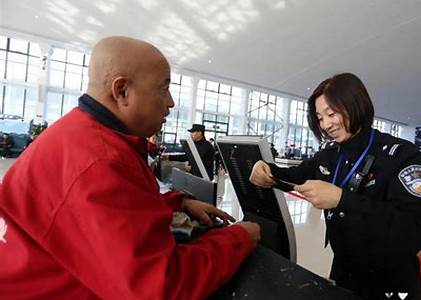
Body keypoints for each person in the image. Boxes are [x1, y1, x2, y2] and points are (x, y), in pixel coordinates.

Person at [0, 36, 260, 299]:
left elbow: (108, 208)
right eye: (164, 88)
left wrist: (175, 202)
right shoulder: (99, 161)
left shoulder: (82, 134)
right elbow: (159, 288)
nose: (170, 102)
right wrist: (239, 238)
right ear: (122, 91)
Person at [250, 73, 421, 299]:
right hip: (344, 270)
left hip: (391, 280)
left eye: (331, 113)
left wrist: (342, 199)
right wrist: (266, 169)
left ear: (355, 104)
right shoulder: (331, 153)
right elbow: (297, 175)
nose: (326, 124)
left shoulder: (400, 155)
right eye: (319, 118)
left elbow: (415, 230)